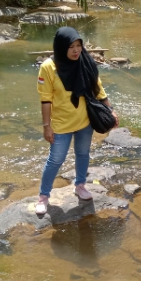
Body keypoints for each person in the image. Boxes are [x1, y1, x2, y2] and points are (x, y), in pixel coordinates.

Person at [35, 26, 118, 215]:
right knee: (56, 159)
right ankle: (43, 196)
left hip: (84, 121)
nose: (76, 50)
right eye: (71, 46)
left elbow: (98, 88)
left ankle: (80, 185)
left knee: (83, 153)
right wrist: (47, 126)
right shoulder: (48, 67)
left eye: (78, 45)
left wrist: (111, 111)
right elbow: (46, 99)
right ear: (61, 47)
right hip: (61, 124)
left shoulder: (85, 61)